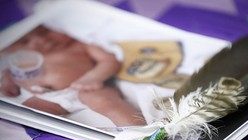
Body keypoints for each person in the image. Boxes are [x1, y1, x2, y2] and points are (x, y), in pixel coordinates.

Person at [0, 25, 145, 126]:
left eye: (47, 31)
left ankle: (139, 132)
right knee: (28, 114)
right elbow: (11, 67)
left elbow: (109, 60)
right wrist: (9, 80)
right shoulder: (26, 53)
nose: (40, 40)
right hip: (45, 97)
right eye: (26, 40)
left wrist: (94, 77)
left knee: (104, 101)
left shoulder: (81, 43)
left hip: (85, 87)